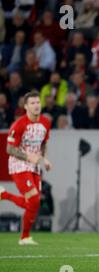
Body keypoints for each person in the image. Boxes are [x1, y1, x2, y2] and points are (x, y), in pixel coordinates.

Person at [0, 91, 52, 245]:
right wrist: (28, 157)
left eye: (38, 102)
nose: (36, 106)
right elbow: (9, 149)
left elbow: (43, 143)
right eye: (32, 103)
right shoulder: (19, 124)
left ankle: (25, 237)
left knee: (34, 203)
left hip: (34, 165)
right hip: (19, 165)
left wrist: (44, 159)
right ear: (26, 106)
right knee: (35, 200)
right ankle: (24, 237)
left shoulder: (45, 123)